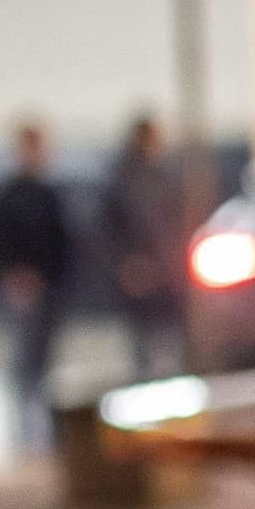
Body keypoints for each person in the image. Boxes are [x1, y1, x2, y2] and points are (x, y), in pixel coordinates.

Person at [0, 120, 74, 455]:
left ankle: (42, 436)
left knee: (44, 368)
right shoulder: (9, 196)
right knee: (22, 367)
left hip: (49, 289)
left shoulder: (48, 194)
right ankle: (23, 436)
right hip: (20, 292)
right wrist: (16, 276)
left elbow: (62, 244)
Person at [97, 114, 191, 378]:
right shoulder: (126, 180)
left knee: (166, 354)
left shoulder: (158, 177)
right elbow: (110, 232)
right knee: (146, 357)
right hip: (141, 280)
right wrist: (129, 266)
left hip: (165, 279)